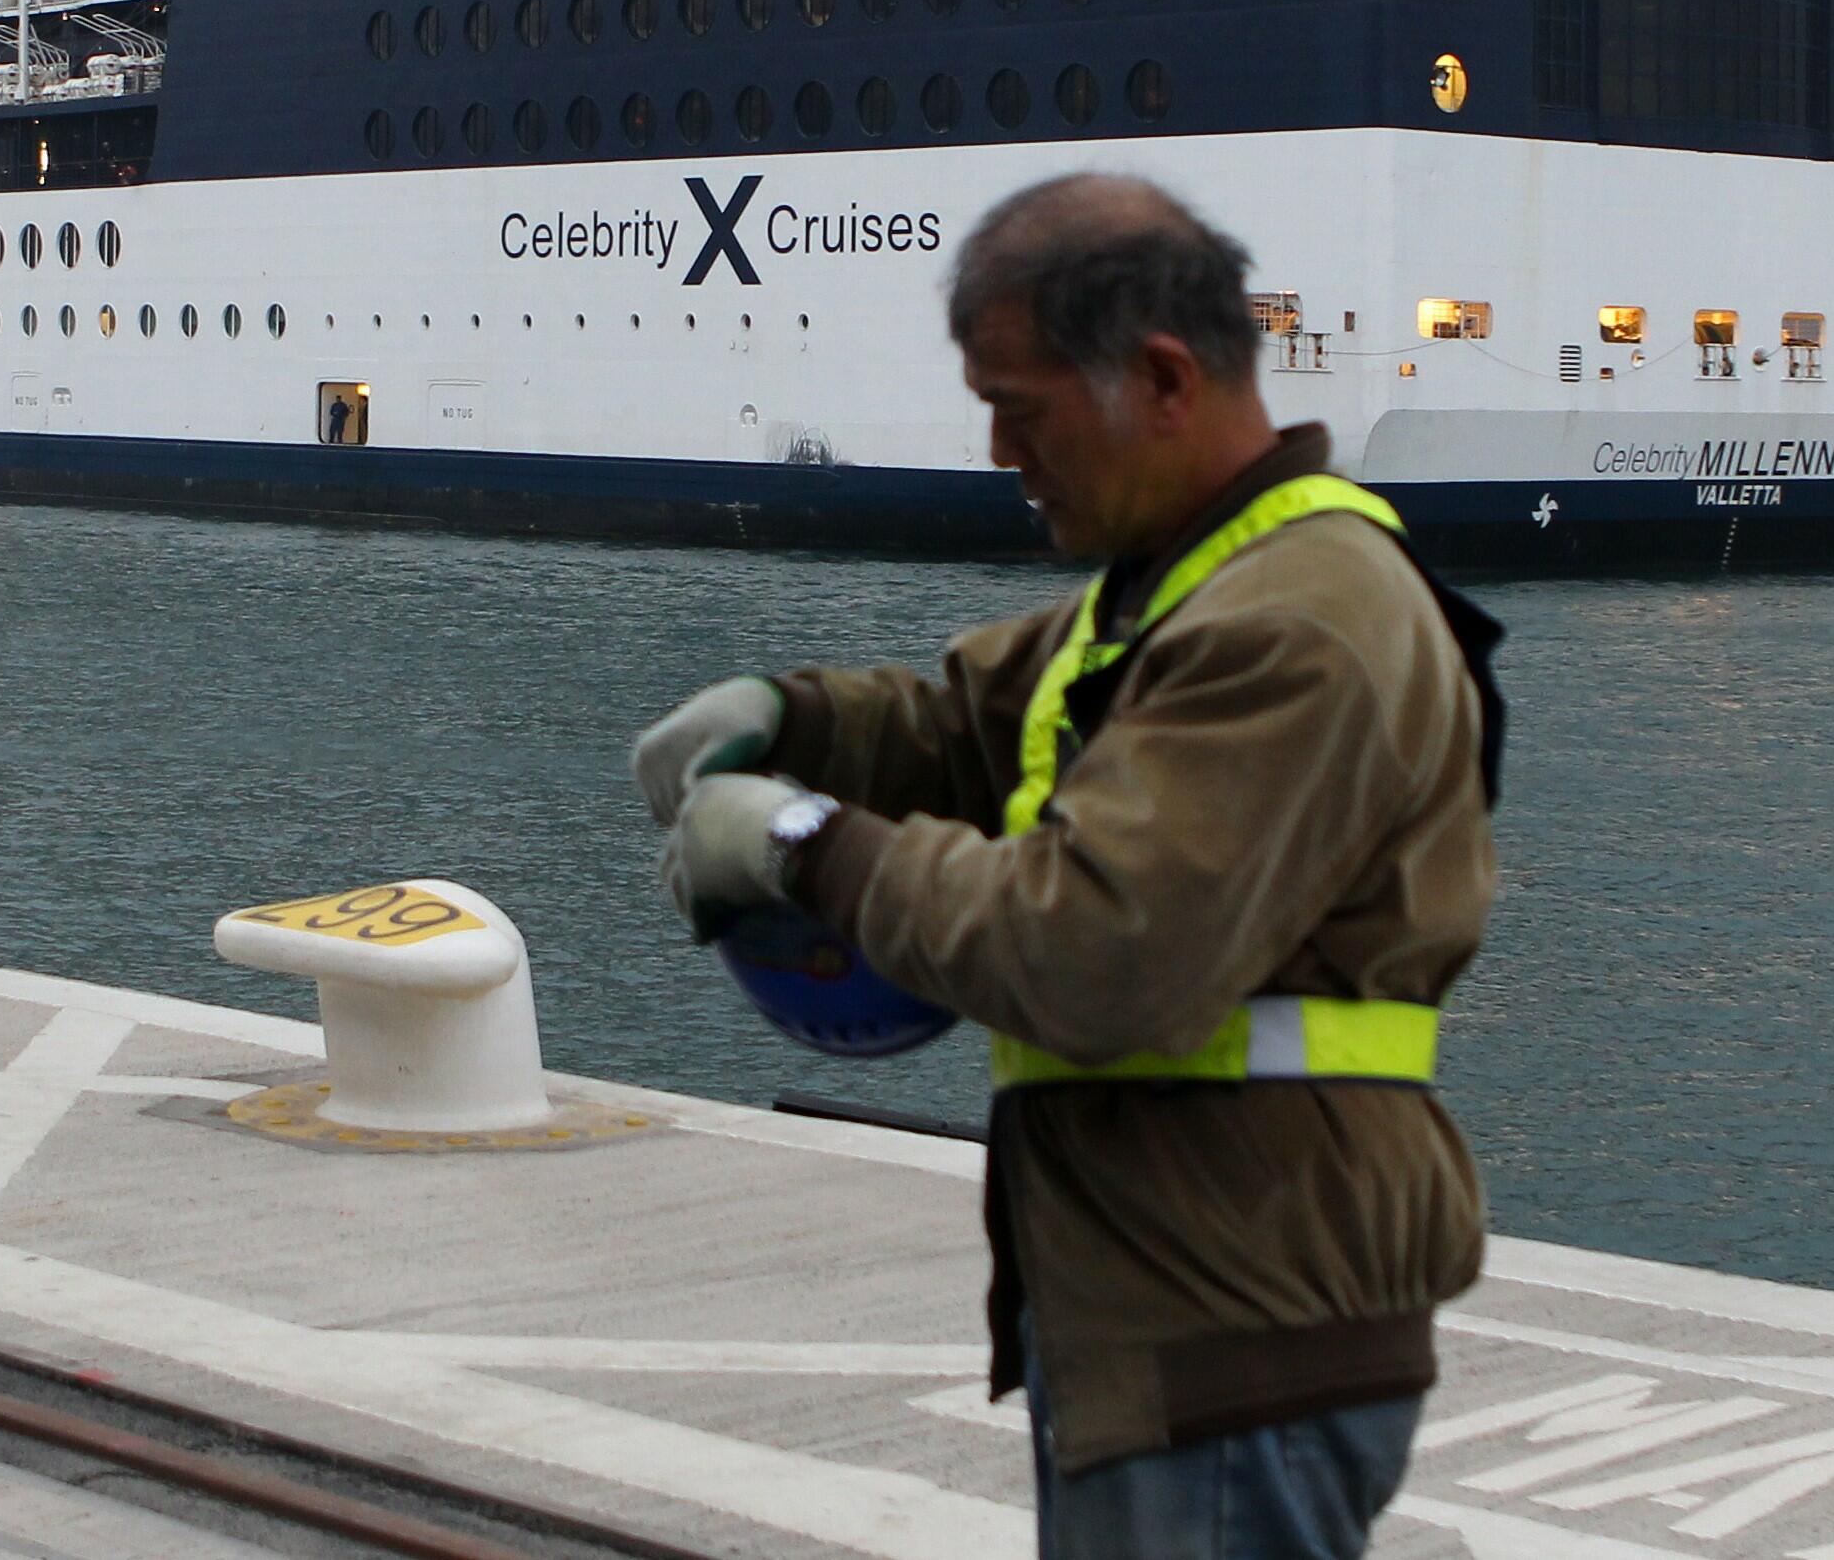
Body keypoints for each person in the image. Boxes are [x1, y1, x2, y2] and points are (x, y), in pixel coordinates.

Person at [641, 173, 1501, 1560]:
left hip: (1233, 1334)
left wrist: (802, 843)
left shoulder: (1300, 620)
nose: (998, 449)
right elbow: (970, 722)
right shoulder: (1185, 585)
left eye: (1021, 407)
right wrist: (790, 714)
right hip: (1171, 1305)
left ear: (1160, 378)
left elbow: (1103, 954)